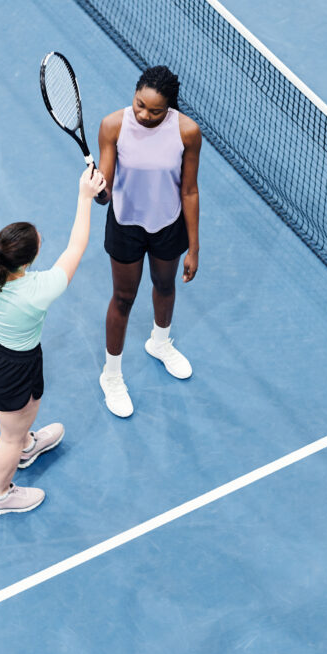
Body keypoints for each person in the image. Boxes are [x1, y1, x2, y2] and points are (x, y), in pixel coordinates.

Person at [0, 166, 106, 515]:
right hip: (13, 365)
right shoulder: (40, 289)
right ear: (30, 259)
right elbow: (77, 245)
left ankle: (26, 444)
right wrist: (84, 196)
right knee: (8, 432)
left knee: (22, 416)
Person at [97, 65, 202, 417]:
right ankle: (111, 376)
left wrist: (194, 246)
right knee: (123, 298)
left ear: (170, 107)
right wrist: (99, 192)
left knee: (165, 285)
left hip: (168, 223)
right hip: (126, 224)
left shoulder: (187, 132)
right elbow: (106, 187)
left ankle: (160, 343)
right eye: (140, 104)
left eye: (155, 111)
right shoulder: (113, 125)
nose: (144, 114)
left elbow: (189, 189)